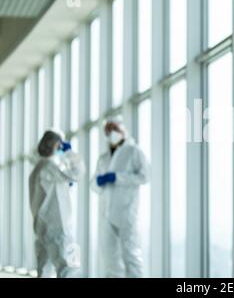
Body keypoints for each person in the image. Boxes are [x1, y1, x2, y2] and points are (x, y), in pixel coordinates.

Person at [91, 118, 151, 278]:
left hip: (127, 213)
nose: (111, 133)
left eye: (115, 128)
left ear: (123, 130)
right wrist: (98, 182)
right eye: (108, 130)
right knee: (110, 259)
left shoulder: (134, 151)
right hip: (107, 214)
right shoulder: (104, 158)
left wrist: (118, 177)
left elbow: (145, 176)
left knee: (131, 256)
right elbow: (94, 185)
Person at [29, 130, 85, 278]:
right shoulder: (49, 166)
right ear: (56, 144)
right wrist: (69, 154)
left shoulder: (37, 169)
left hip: (43, 228)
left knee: (44, 271)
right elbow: (78, 173)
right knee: (70, 270)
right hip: (58, 228)